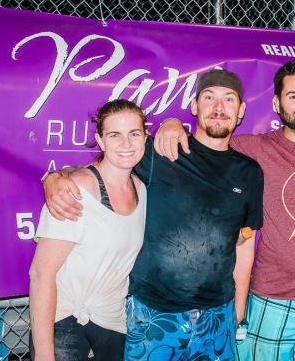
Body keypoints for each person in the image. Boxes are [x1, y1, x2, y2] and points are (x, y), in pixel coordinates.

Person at [42, 69, 263, 360]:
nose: (219, 108)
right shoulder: (160, 151)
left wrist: (239, 307)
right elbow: (100, 171)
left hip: (217, 315)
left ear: (241, 111)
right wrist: (55, 179)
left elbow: (245, 241)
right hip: (154, 314)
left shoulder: (250, 172)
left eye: (228, 99)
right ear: (194, 106)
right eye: (209, 98)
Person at [156, 59, 295, 361]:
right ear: (277, 103)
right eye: (293, 96)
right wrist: (172, 123)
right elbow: (206, 136)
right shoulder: (251, 148)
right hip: (270, 300)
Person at [29, 99, 148, 360]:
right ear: (101, 140)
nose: (126, 144)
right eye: (115, 135)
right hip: (63, 323)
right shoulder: (74, 189)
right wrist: (45, 354)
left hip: (113, 323)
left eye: (134, 134)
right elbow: (41, 273)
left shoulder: (142, 189)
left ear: (145, 137)